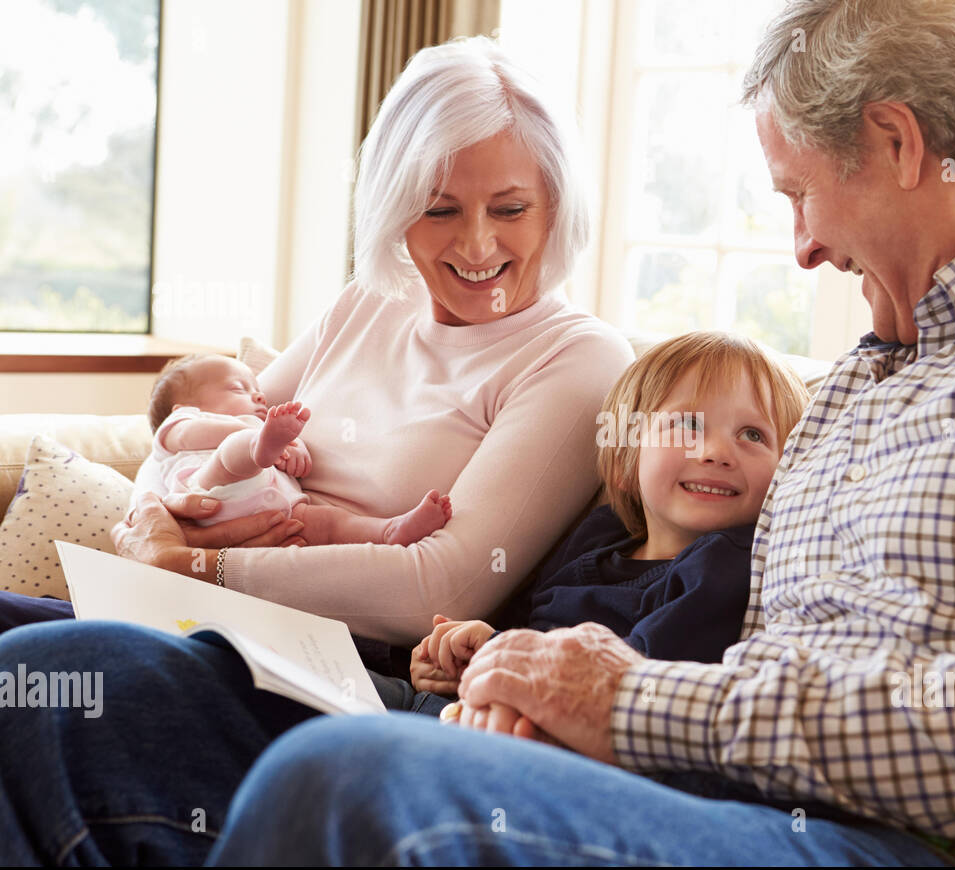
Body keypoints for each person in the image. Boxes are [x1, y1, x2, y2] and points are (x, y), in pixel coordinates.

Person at [205, 0, 955, 867]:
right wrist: (550, 705)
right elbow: (741, 668)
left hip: (921, 845)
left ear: (895, 142)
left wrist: (629, 702)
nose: (804, 250)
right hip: (729, 801)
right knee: (102, 680)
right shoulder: (868, 376)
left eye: (798, 195)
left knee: (348, 781)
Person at [0, 36, 632, 648]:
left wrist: (192, 569)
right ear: (394, 207)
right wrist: (154, 527)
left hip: (325, 659)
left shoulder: (577, 359)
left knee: (45, 663)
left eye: (510, 209)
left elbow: (438, 588)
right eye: (439, 210)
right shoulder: (372, 300)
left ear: (557, 205)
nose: (474, 244)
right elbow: (193, 438)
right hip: (194, 613)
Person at [401, 331, 810, 716]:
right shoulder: (601, 533)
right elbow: (523, 624)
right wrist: (458, 660)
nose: (717, 451)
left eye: (753, 435)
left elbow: (638, 685)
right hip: (468, 706)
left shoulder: (723, 568)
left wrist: (494, 651)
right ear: (627, 462)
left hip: (539, 743)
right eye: (687, 426)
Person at [140, 354, 452, 546]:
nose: (259, 397)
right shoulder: (180, 424)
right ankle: (258, 449)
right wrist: (261, 437)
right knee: (233, 452)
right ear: (182, 407)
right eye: (239, 388)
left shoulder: (259, 429)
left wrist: (291, 444)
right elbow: (198, 435)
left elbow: (271, 445)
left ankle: (387, 531)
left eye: (258, 391)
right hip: (209, 494)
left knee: (329, 523)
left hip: (282, 514)